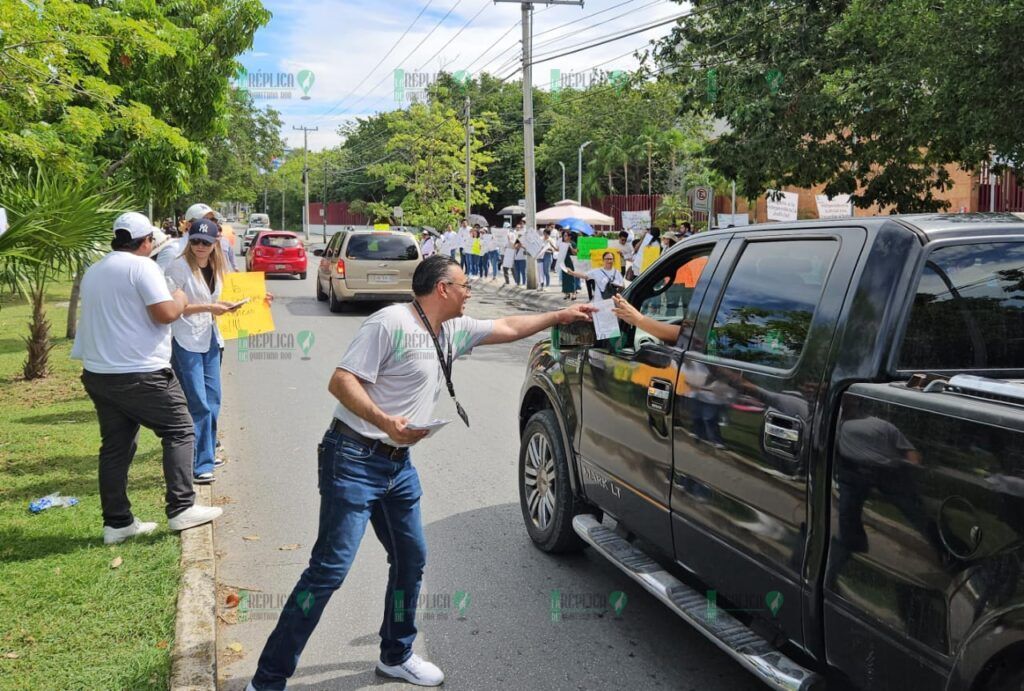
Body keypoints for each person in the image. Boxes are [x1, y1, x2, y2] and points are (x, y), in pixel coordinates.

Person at [246, 256, 595, 690]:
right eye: (464, 285)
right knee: (329, 570)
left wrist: (560, 315)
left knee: (411, 559)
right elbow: (341, 381)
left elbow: (506, 327)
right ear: (442, 289)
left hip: (397, 467)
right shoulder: (389, 323)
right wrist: (386, 421)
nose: (470, 292)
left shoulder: (452, 328)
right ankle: (267, 680)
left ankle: (396, 654)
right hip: (352, 458)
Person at [72, 212, 223, 545]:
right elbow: (166, 313)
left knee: (115, 447)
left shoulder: (95, 270)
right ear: (145, 242)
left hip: (99, 373)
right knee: (181, 429)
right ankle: (182, 507)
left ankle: (117, 523)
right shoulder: (143, 267)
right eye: (151, 241)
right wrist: (181, 295)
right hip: (140, 373)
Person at [166, 218, 241, 484]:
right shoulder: (177, 267)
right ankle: (200, 463)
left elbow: (233, 295)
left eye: (205, 243)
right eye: (195, 241)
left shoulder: (219, 266)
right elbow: (173, 308)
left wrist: (258, 300)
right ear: (189, 240)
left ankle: (207, 453)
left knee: (213, 398)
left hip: (211, 338)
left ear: (214, 244)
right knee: (197, 400)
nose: (200, 247)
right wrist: (210, 308)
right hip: (186, 338)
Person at [557, 230, 579, 301]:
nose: (564, 237)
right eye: (564, 235)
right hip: (564, 261)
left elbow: (575, 253)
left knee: (572, 277)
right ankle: (566, 293)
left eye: (566, 235)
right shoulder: (562, 243)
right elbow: (558, 250)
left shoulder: (573, 243)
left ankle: (574, 293)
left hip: (571, 261)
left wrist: (570, 247)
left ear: (570, 236)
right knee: (565, 277)